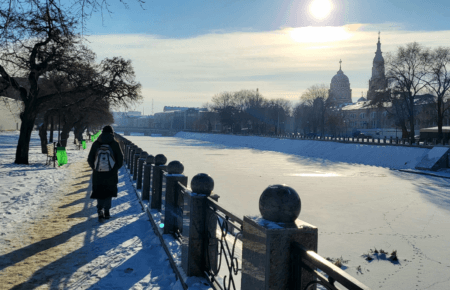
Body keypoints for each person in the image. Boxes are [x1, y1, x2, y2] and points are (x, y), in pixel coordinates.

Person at [87, 125, 123, 220]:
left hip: (98, 173)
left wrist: (95, 168)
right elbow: (120, 160)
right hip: (111, 173)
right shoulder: (115, 144)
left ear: (102, 132)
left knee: (99, 191)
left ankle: (100, 210)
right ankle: (107, 211)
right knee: (109, 192)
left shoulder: (96, 143)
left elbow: (90, 158)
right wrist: (114, 168)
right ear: (112, 133)